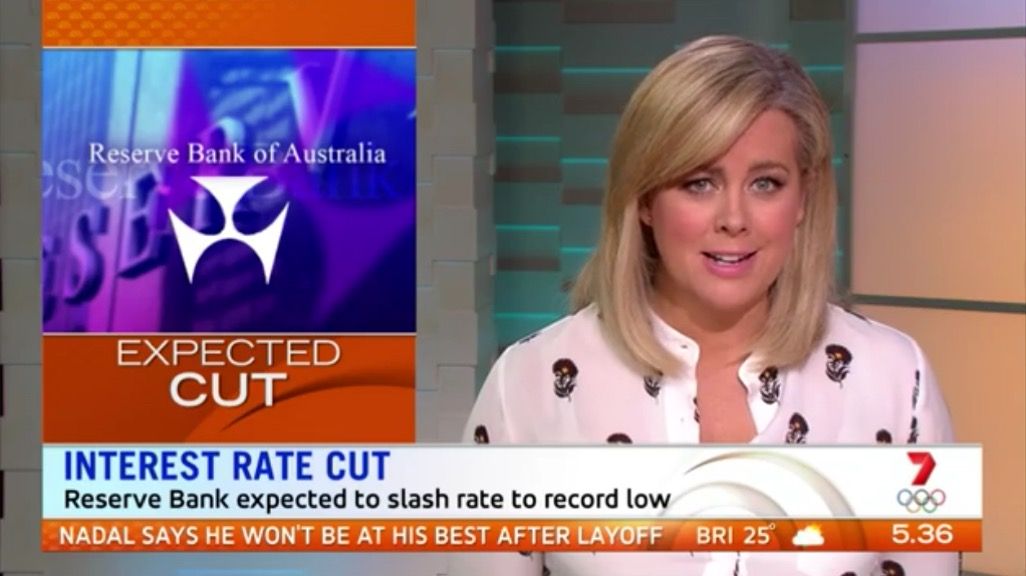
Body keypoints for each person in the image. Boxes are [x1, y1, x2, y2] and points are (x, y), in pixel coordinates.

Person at [450, 36, 956, 575]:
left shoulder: (897, 378)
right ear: (645, 200)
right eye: (699, 183)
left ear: (803, 198)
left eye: (766, 183)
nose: (734, 219)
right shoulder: (525, 386)